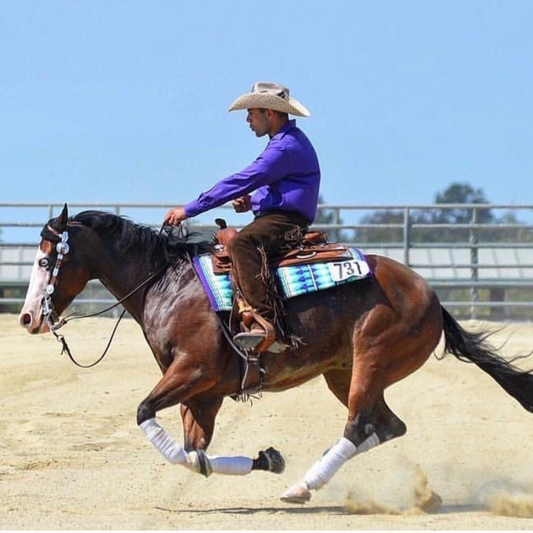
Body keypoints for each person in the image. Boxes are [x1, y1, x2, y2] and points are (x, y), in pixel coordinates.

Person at [164, 81, 321, 350]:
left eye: (251, 113)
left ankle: (268, 323)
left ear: (269, 114)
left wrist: (189, 209)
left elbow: (242, 180)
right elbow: (281, 188)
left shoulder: (284, 148)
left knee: (241, 244)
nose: (248, 120)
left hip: (286, 223)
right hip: (278, 218)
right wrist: (253, 202)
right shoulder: (285, 143)